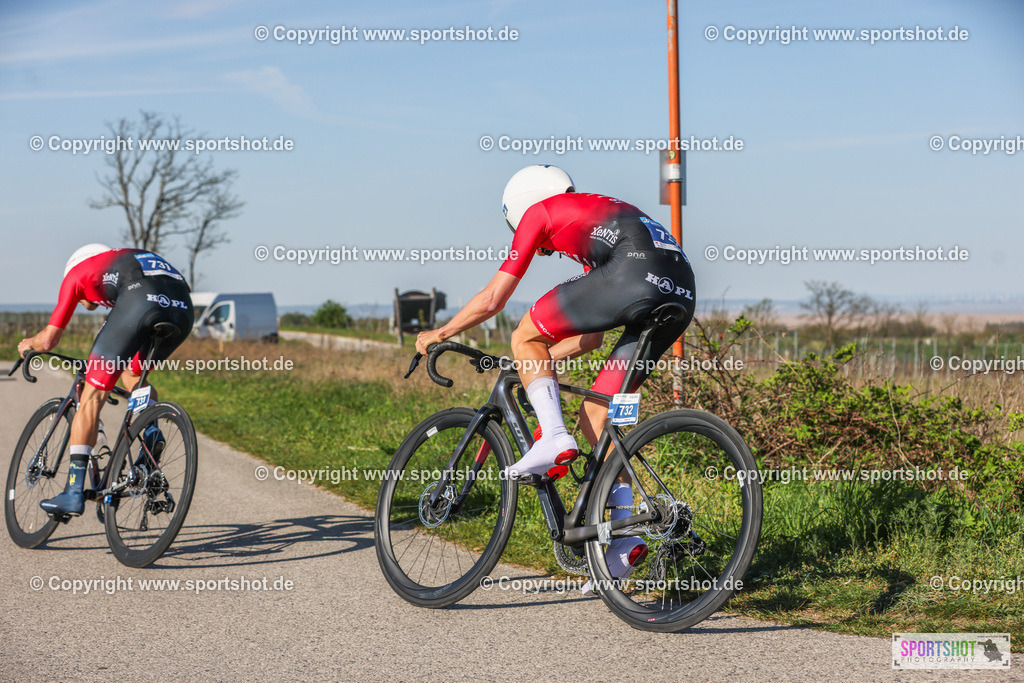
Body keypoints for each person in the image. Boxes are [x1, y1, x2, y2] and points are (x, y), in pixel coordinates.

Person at [416, 164, 695, 588]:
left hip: (631, 276)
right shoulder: (596, 223)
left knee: (523, 332)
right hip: (679, 289)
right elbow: (589, 340)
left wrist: (442, 332)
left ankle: (552, 437)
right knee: (597, 419)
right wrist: (532, 361)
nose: (542, 250)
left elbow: (493, 298)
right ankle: (625, 539)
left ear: (522, 205)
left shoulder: (540, 213)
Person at [17, 244, 194, 516]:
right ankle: (151, 431)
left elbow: (49, 339)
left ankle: (73, 492)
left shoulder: (76, 273)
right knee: (133, 373)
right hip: (182, 308)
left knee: (92, 396)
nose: (87, 306)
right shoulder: (121, 261)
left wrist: (30, 343)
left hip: (140, 300)